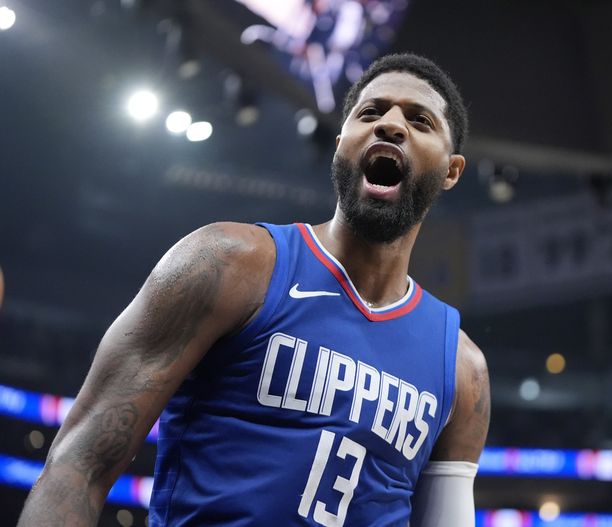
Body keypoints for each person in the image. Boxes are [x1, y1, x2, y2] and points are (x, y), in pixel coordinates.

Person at [18, 53, 490, 527]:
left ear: (451, 171)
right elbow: (78, 468)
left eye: (418, 119)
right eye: (370, 112)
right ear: (340, 143)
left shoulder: (461, 371)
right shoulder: (227, 262)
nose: (389, 124)